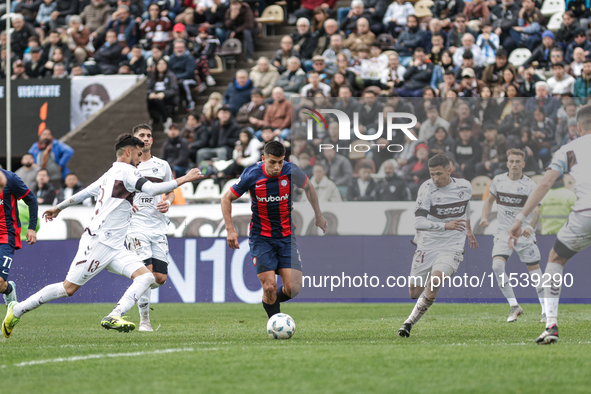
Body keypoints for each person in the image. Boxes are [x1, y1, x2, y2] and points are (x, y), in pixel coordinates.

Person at [2, 134, 204, 338]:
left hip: (115, 245)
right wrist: (185, 179)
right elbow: (151, 189)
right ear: (127, 152)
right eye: (137, 152)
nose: (139, 157)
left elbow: (85, 192)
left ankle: (115, 314)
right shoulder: (126, 170)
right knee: (68, 288)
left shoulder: (111, 172)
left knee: (145, 276)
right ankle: (17, 310)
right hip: (98, 241)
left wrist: (59, 207)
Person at [508, 105, 591, 344]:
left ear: (577, 127)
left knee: (555, 259)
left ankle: (551, 324)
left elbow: (544, 184)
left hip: (585, 214)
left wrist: (519, 219)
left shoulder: (569, 149)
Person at [221, 141, 327, 320]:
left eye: (280, 162)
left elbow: (308, 187)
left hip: (286, 237)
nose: (277, 167)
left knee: (293, 289)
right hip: (261, 237)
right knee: (269, 286)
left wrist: (318, 214)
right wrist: (230, 230)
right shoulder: (252, 174)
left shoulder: (291, 170)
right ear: (263, 159)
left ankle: (269, 301)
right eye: (272, 162)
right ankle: (275, 321)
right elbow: (226, 198)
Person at [398, 154, 478, 338]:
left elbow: (465, 206)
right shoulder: (426, 189)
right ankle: (430, 285)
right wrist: (445, 225)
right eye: (432, 174)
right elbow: (418, 223)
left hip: (452, 244)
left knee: (435, 280)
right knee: (414, 292)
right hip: (428, 243)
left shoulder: (465, 186)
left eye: (439, 174)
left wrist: (468, 229)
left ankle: (408, 323)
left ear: (450, 170)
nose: (435, 178)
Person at [480, 149, 545, 322]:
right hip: (503, 232)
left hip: (524, 234)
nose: (514, 164)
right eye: (512, 161)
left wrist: (531, 227)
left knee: (535, 273)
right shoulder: (498, 181)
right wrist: (485, 217)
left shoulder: (530, 185)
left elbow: (537, 209)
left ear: (523, 164)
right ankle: (514, 306)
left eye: (518, 161)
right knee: (497, 267)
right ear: (507, 163)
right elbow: (488, 201)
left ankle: (546, 310)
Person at [127, 125, 175, 332]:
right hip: (136, 226)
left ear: (152, 141)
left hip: (158, 227)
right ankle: (144, 321)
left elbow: (171, 191)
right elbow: (115, 192)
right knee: (147, 275)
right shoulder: (128, 166)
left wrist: (169, 202)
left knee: (159, 279)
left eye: (148, 136)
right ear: (134, 140)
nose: (145, 139)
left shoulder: (162, 165)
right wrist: (128, 202)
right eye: (141, 136)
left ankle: (138, 283)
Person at [0, 169, 38, 308]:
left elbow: (32, 200)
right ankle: (8, 289)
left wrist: (31, 228)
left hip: (6, 235)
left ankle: (8, 289)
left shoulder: (10, 178)